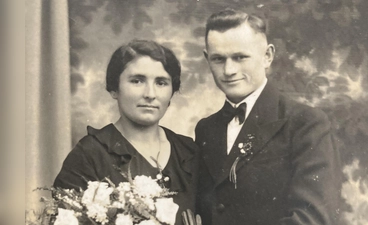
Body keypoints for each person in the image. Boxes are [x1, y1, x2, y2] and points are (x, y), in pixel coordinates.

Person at [195, 9, 341, 225]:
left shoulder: (306, 123)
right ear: (207, 59)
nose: (228, 70)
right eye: (218, 59)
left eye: (240, 57)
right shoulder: (206, 128)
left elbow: (313, 218)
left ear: (267, 56)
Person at [54, 39, 199, 225]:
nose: (150, 94)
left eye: (161, 83)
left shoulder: (187, 152)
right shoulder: (90, 155)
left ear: (172, 91)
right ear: (115, 88)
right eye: (137, 81)